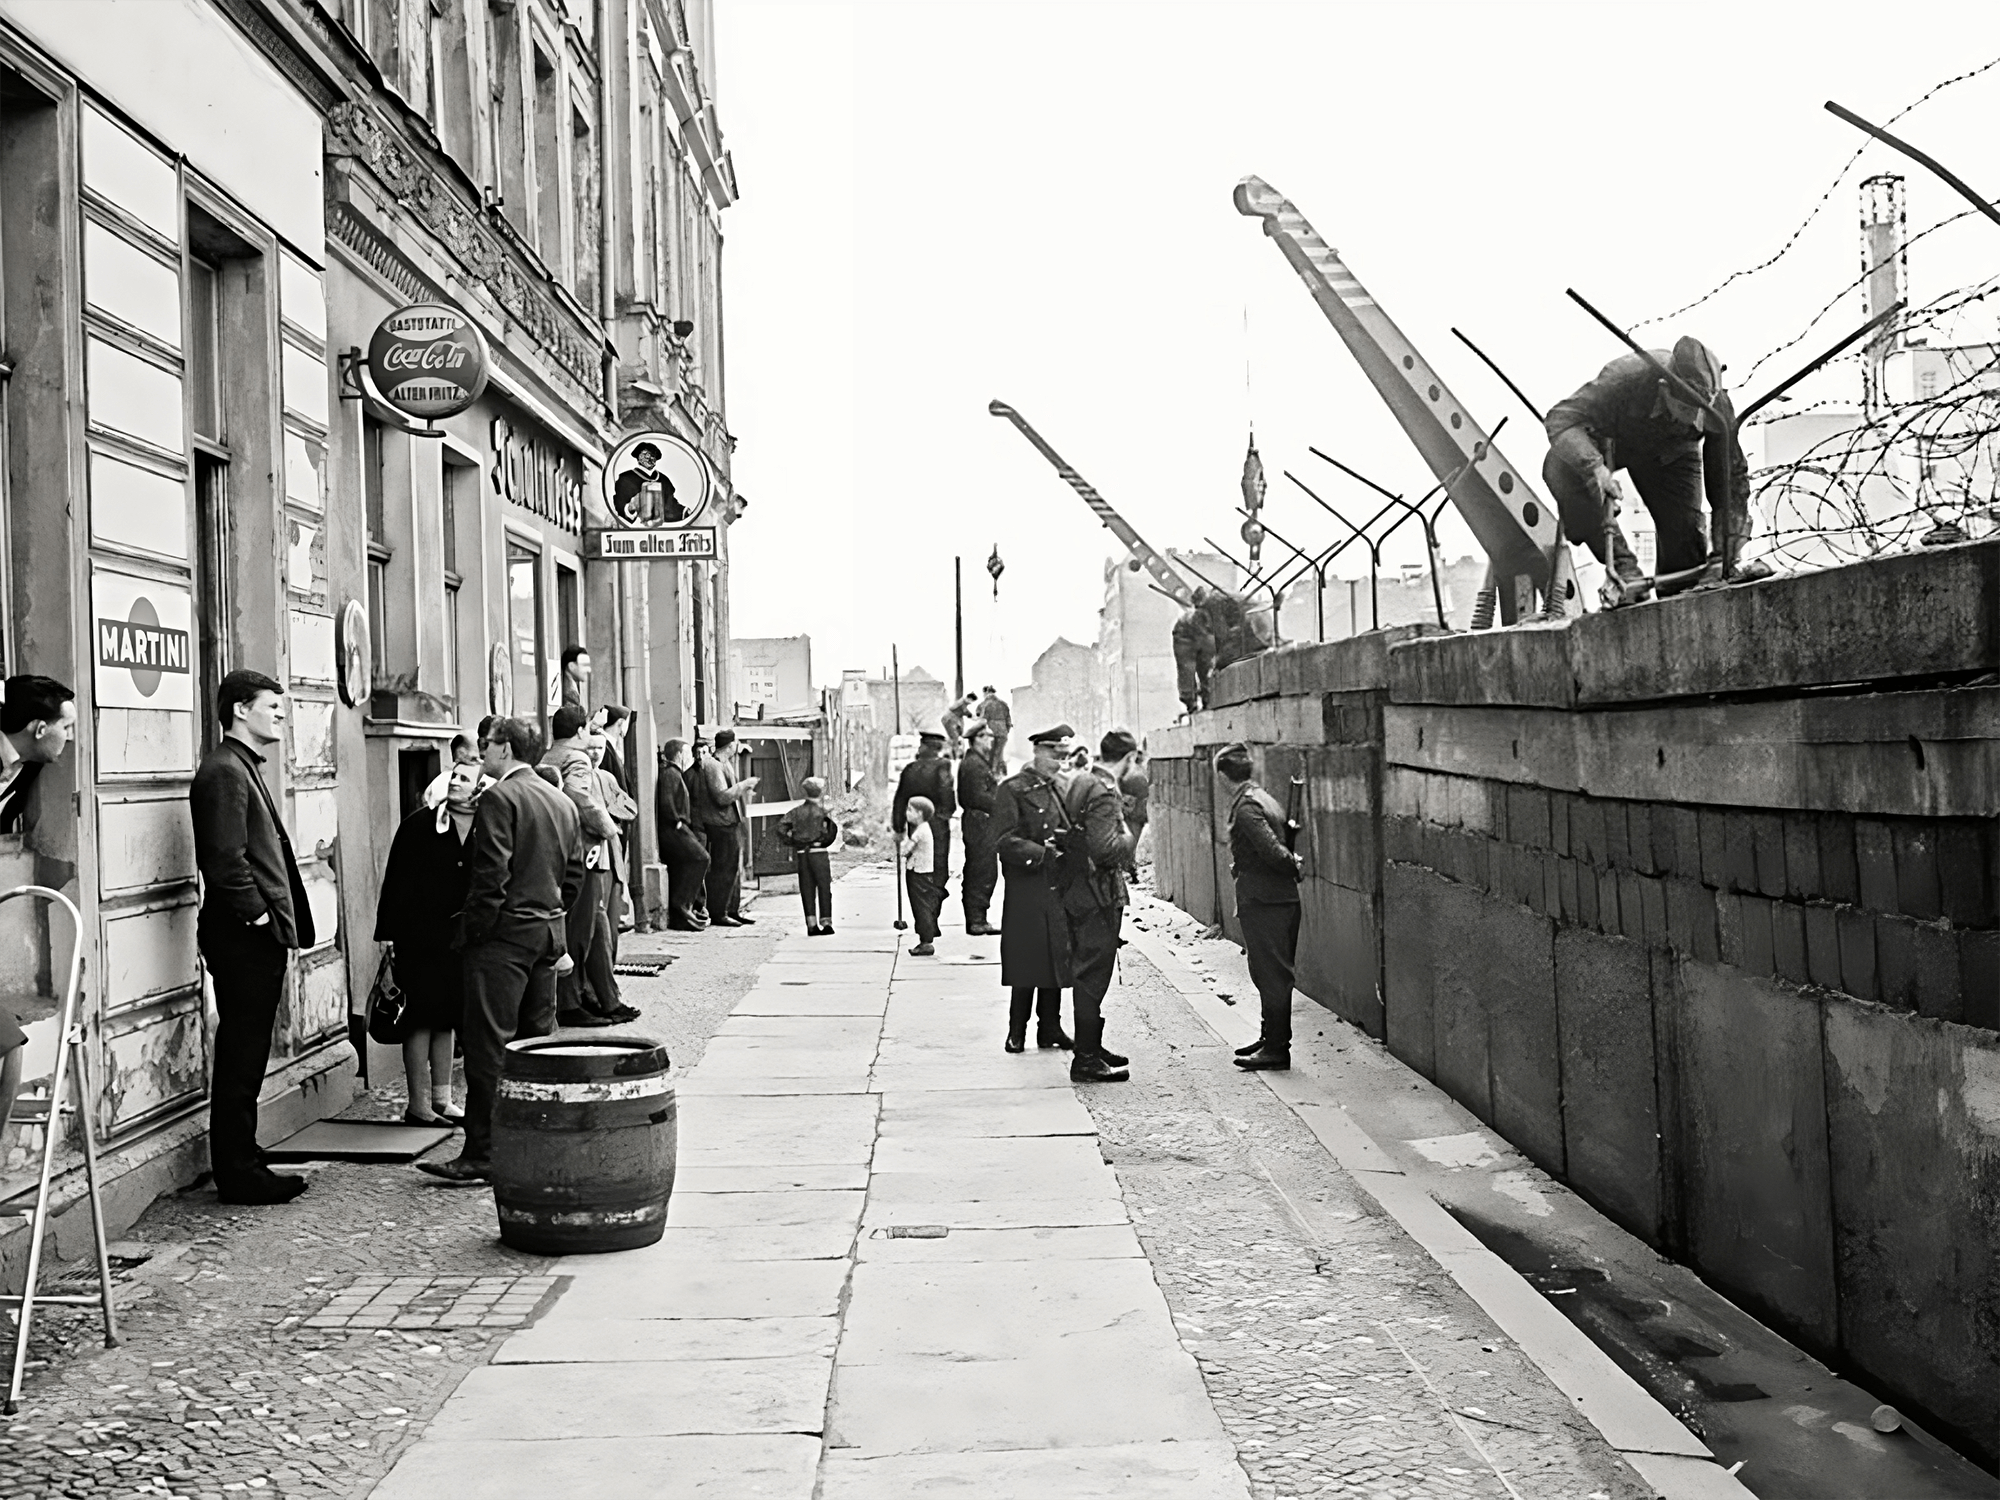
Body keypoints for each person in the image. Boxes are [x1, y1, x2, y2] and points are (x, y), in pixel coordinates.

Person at [419, 715, 583, 1183]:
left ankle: (484, 1152)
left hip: (505, 938)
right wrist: (550, 915)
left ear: (506, 749)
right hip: (545, 933)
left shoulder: (499, 798)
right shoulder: (560, 800)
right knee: (536, 1046)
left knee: (489, 1046)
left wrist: (474, 932)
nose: (483, 751)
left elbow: (491, 875)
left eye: (488, 744)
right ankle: (536, 1140)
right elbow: (572, 877)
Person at [191, 670, 313, 1205]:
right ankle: (238, 1173)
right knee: (242, 1053)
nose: (281, 715)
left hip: (248, 933)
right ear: (240, 710)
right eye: (272, 706)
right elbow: (224, 859)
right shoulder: (223, 771)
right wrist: (259, 917)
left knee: (249, 1049)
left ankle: (245, 1156)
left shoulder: (239, 766)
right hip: (242, 935)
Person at [1542, 335, 1754, 600]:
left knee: (1685, 545)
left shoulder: (1717, 407)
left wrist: (1727, 552)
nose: (1699, 423)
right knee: (1559, 467)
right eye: (1689, 411)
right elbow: (1560, 419)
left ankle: (1677, 592)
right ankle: (1626, 574)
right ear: (1664, 389)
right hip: (1616, 443)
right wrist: (1596, 469)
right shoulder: (1624, 379)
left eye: (1705, 414)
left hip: (1672, 457)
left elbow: (1730, 478)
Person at [375, 760, 478, 1125]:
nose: (456, 782)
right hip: (419, 936)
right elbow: (396, 881)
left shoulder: (488, 825)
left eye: (466, 778)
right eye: (454, 775)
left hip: (460, 940)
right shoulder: (420, 824)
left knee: (447, 1018)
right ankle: (417, 1104)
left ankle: (442, 1099)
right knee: (419, 1017)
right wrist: (388, 933)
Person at [0, 675, 76, 1155]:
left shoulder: (19, 771)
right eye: (65, 727)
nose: (70, 738)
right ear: (38, 727)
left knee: (10, 1047)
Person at [1215, 742, 1304, 1072]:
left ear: (1223, 776)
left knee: (1272, 975)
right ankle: (1270, 1038)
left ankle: (1277, 1048)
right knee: (1270, 973)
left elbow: (1272, 851)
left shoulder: (1246, 808)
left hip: (1266, 899)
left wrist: (1292, 863)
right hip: (1274, 898)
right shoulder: (1262, 797)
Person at [1057, 729, 1140, 1084]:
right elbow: (1106, 848)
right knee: (1093, 973)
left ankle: (1091, 1045)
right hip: (1097, 894)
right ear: (1128, 758)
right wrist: (1131, 835)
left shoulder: (1081, 779)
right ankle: (1086, 1057)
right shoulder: (1104, 792)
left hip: (1078, 889)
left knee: (1088, 970)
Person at [540, 705, 630, 1027]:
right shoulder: (576, 759)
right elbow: (580, 797)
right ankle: (570, 1002)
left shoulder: (548, 756)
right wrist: (609, 828)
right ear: (579, 731)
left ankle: (591, 997)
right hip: (585, 853)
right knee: (579, 932)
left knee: (587, 928)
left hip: (559, 852)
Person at [991, 725, 1078, 1055]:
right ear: (1039, 753)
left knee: (1056, 956)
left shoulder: (1060, 789)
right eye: (1055, 756)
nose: (1060, 763)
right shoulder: (1012, 789)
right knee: (1026, 958)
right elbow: (1003, 839)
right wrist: (1042, 854)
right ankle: (1017, 1029)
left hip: (1058, 886)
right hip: (1027, 885)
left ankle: (1050, 1027)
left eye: (1064, 757)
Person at [695, 728, 760, 925]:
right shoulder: (713, 766)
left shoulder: (724, 764)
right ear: (731, 746)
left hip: (729, 823)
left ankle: (732, 909)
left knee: (733, 869)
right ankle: (719, 912)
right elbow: (722, 797)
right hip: (720, 825)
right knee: (723, 870)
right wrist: (744, 785)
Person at [890, 726, 956, 913]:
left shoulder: (910, 769)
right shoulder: (943, 766)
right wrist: (945, 814)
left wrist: (898, 827)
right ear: (937, 748)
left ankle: (924, 915)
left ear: (924, 747)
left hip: (914, 826)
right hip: (937, 827)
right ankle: (932, 913)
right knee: (938, 868)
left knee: (917, 869)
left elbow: (900, 800)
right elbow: (947, 794)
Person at [589, 727, 639, 965]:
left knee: (611, 914)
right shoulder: (580, 776)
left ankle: (608, 965)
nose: (595, 753)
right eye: (591, 747)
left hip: (613, 850)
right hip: (595, 854)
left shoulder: (607, 778)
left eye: (599, 748)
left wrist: (611, 811)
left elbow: (630, 808)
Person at [655, 739, 710, 930]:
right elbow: (667, 802)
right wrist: (677, 822)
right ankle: (681, 907)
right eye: (687, 754)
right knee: (701, 858)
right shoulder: (670, 773)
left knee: (689, 863)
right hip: (674, 829)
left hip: (677, 827)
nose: (691, 758)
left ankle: (684, 908)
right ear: (679, 755)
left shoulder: (674, 773)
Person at [777, 776, 840, 935]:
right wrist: (824, 842)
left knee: (807, 888)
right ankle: (826, 923)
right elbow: (833, 830)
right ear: (819, 792)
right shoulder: (823, 812)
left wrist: (792, 841)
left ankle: (811, 925)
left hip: (802, 853)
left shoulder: (796, 812)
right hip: (818, 853)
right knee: (824, 887)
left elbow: (781, 827)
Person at [957, 720, 1002, 935]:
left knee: (983, 869)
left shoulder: (978, 761)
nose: (992, 740)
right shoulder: (974, 764)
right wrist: (1001, 802)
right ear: (978, 739)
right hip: (979, 821)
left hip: (981, 821)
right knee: (981, 870)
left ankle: (978, 917)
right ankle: (976, 919)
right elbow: (976, 796)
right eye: (988, 736)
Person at [900, 796, 941, 955]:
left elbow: (905, 850)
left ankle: (926, 940)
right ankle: (925, 938)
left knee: (920, 906)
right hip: (922, 871)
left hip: (918, 873)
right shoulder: (923, 828)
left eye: (910, 810)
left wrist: (900, 840)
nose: (907, 813)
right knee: (921, 905)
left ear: (919, 813)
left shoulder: (921, 831)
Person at [611, 441, 686, 525]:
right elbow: (618, 506)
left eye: (653, 455)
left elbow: (671, 506)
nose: (649, 458)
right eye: (645, 454)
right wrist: (631, 506)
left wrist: (685, 511)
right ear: (638, 457)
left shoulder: (664, 480)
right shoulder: (625, 478)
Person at [1172, 589, 1216, 716]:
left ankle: (1206, 701)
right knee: (1188, 669)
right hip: (1184, 637)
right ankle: (1192, 704)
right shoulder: (1195, 618)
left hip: (1200, 636)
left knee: (1206, 669)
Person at [1120, 748, 1150, 880]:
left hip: (1134, 814)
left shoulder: (1135, 773)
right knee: (1132, 843)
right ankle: (1130, 869)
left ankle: (1130, 869)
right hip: (1135, 815)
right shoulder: (1137, 775)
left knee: (1131, 843)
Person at [977, 686, 1013, 773]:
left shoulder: (983, 705)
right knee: (999, 752)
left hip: (990, 731)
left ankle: (992, 772)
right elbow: (1008, 720)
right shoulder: (1004, 704)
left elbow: (981, 719)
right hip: (1002, 731)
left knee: (990, 753)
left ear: (986, 693)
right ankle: (1000, 771)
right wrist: (1005, 730)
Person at [941, 691, 978, 758]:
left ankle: (951, 753)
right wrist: (972, 716)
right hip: (950, 720)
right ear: (969, 698)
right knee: (954, 737)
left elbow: (965, 712)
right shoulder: (961, 703)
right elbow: (965, 711)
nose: (971, 703)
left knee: (955, 736)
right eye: (971, 701)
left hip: (951, 720)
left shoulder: (962, 703)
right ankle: (954, 755)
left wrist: (972, 716)